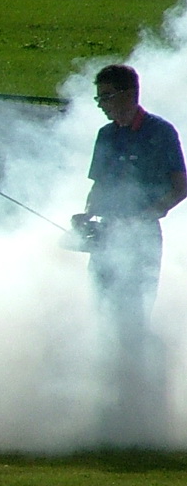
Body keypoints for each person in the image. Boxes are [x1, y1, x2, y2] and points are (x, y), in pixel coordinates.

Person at [74, 64, 187, 348]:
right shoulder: (106, 135)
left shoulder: (160, 132)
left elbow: (181, 186)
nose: (101, 105)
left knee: (134, 315)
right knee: (101, 309)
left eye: (107, 97)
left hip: (142, 238)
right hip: (106, 235)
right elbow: (98, 185)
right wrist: (88, 214)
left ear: (130, 94)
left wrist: (147, 215)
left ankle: (139, 376)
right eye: (98, 98)